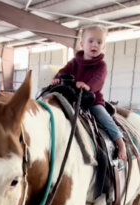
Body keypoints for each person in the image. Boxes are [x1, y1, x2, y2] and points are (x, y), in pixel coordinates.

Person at [52, 25, 127, 161]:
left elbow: (99, 80)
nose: (95, 45)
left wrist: (88, 86)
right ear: (82, 44)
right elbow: (64, 71)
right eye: (91, 41)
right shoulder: (75, 62)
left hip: (92, 100)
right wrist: (57, 78)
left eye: (99, 42)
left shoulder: (101, 66)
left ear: (103, 47)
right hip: (73, 98)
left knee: (102, 116)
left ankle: (120, 142)